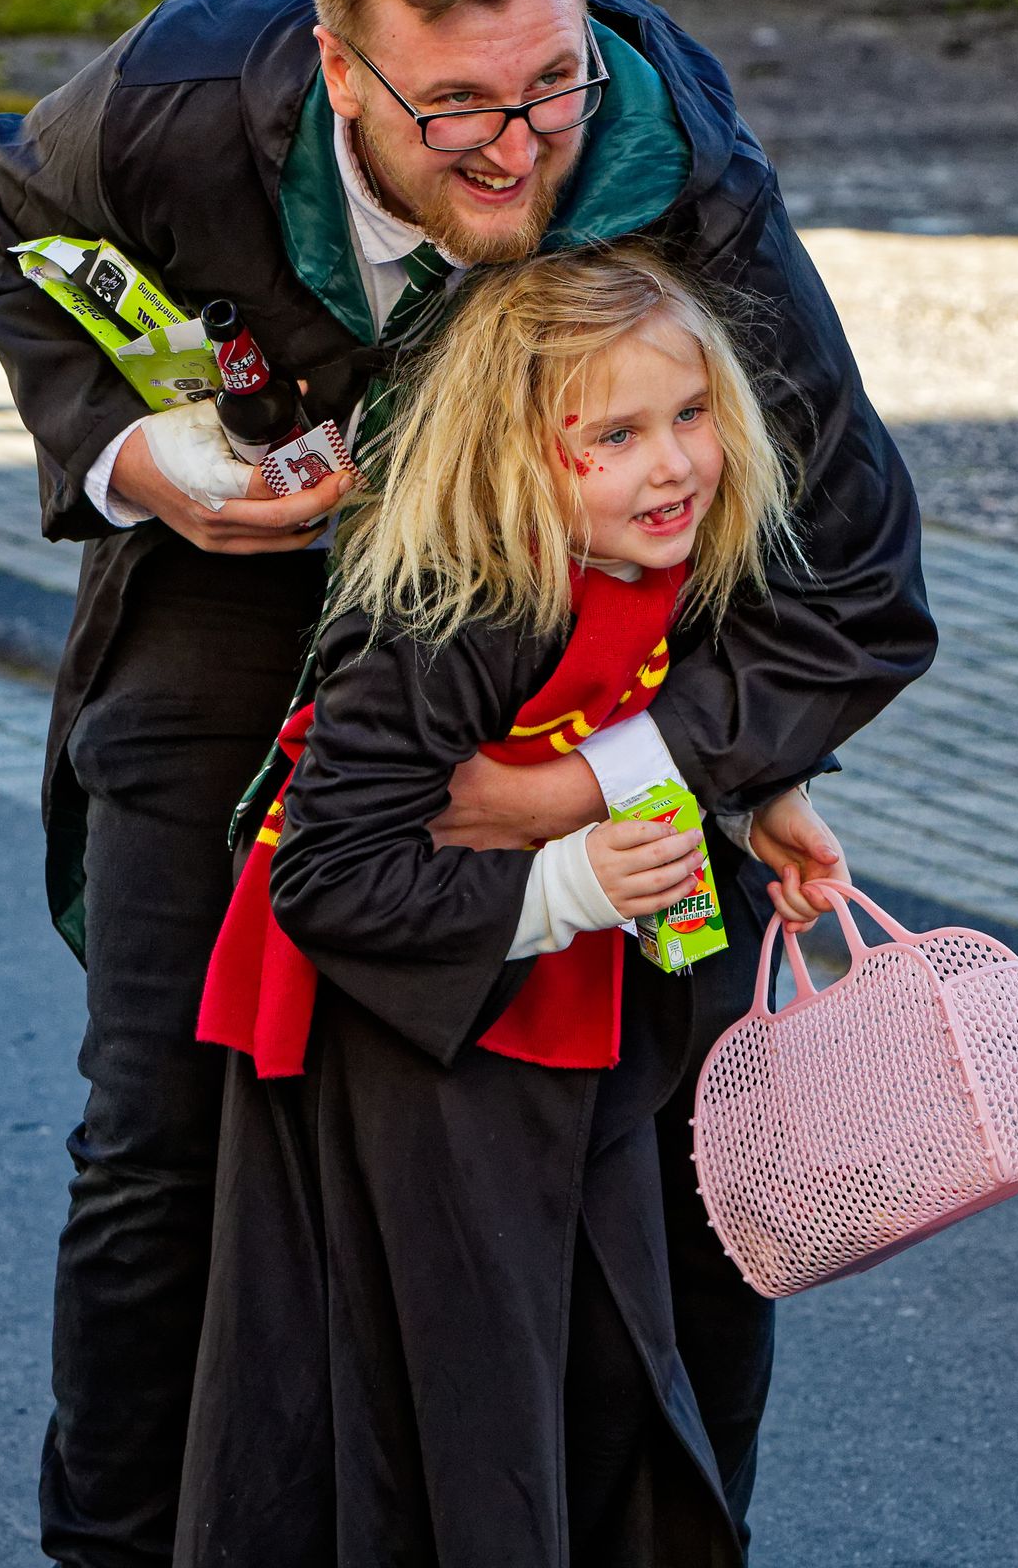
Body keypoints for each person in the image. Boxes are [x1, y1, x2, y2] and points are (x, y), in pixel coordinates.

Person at [0, 0, 932, 1567]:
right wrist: (139, 459)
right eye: (458, 109)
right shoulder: (181, 101)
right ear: (338, 67)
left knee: (674, 1170)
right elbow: (7, 228)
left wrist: (611, 782)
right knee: (163, 1143)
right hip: (238, 608)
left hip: (579, 669)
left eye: (551, 84)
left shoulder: (678, 178)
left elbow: (854, 588)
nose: (525, 146)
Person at [184, 247, 832, 1566]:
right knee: (468, 1379)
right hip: (419, 1043)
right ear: (518, 456)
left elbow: (665, 708)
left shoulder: (672, 559)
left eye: (692, 416)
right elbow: (325, 874)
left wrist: (765, 797)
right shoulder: (441, 616)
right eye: (617, 435)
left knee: (618, 1348)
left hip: (574, 1014)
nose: (674, 466)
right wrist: (565, 884)